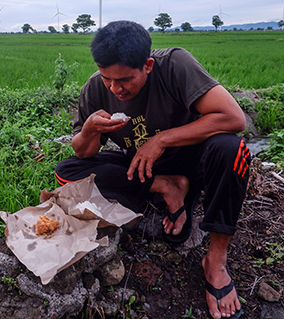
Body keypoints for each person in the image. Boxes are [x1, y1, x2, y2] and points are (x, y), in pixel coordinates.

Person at [55, 20, 250, 319]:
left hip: (192, 159)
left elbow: (234, 118)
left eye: (124, 80)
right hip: (144, 168)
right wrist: (91, 129)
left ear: (147, 65)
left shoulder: (174, 65)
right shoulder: (96, 87)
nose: (114, 88)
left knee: (232, 150)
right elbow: (83, 152)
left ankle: (216, 260)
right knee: (67, 171)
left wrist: (162, 139)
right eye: (107, 78)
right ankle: (166, 186)